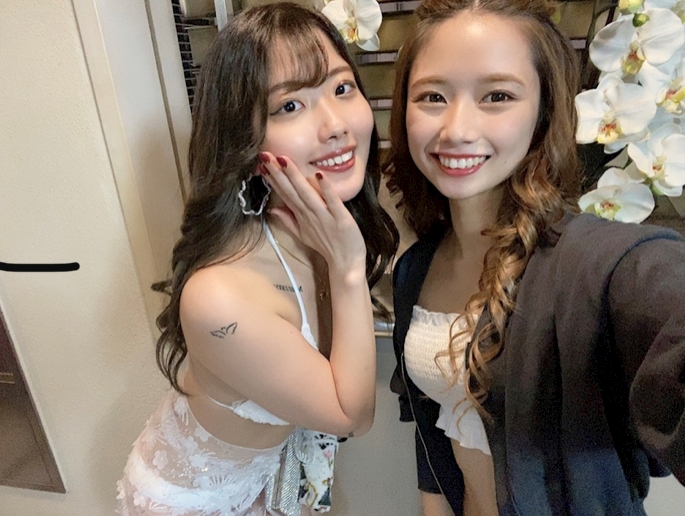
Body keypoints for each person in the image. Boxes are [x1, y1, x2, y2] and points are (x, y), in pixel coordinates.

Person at [385, 0, 685, 514]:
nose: (456, 129)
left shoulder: (598, 265)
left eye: (497, 96)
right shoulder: (417, 267)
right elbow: (432, 430)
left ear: (544, 112)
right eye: (433, 96)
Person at [116, 3, 397, 515]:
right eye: (290, 105)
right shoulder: (219, 296)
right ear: (242, 140)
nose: (335, 125)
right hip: (195, 503)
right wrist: (348, 270)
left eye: (341, 88)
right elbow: (350, 416)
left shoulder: (318, 227)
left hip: (271, 476)